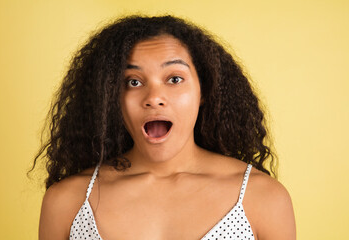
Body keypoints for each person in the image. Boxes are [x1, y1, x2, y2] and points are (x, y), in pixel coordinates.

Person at [33, 15, 296, 240]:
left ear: (203, 90)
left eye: (174, 78)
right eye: (133, 82)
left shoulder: (262, 197)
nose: (153, 97)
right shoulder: (68, 201)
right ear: (111, 96)